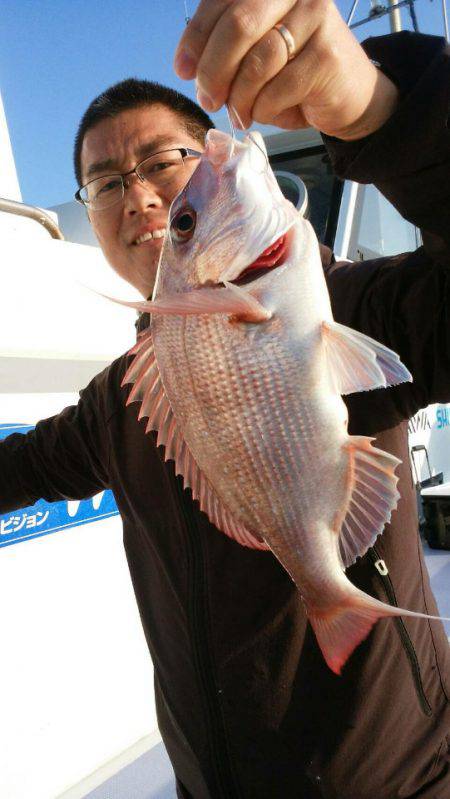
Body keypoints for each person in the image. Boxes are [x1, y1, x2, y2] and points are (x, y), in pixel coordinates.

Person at [2, 1, 450, 796]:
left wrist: (381, 110)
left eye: (164, 163)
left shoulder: (349, 308)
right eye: (105, 181)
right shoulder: (117, 404)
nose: (137, 196)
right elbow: (18, 467)